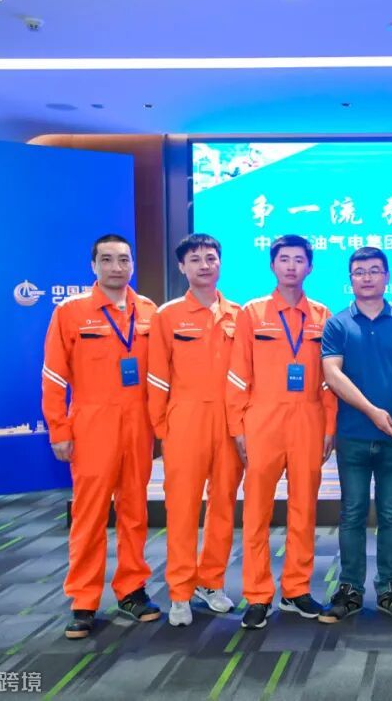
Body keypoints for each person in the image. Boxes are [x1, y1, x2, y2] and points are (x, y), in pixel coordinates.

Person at [42, 234, 160, 639]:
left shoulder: (149, 311)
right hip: (92, 424)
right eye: (107, 260)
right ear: (93, 265)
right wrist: (59, 428)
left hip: (138, 425)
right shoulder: (71, 312)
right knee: (89, 515)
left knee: (134, 511)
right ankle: (84, 599)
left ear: (133, 265)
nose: (116, 267)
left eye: (123, 259)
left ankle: (132, 589)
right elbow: (53, 376)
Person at [226, 235, 336, 630]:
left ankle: (296, 588)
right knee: (256, 511)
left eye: (299, 260)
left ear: (310, 267)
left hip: (309, 420)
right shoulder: (252, 313)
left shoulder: (323, 316)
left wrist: (330, 426)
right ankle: (257, 594)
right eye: (284, 259)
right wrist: (237, 425)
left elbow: (330, 378)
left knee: (304, 509)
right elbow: (237, 373)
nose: (291, 266)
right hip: (263, 420)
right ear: (273, 265)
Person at [319, 247, 392, 623]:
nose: (367, 277)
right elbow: (332, 374)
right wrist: (372, 411)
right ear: (350, 278)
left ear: (387, 277)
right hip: (354, 435)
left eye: (374, 270)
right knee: (352, 513)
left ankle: (388, 589)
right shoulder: (337, 324)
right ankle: (350, 589)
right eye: (359, 271)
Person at [147, 234, 242, 627]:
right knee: (182, 508)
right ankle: (180, 591)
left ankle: (211, 581)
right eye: (196, 259)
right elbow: (156, 375)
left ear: (220, 263)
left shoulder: (239, 314)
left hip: (229, 422)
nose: (205, 265)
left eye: (211, 257)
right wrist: (161, 426)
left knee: (223, 505)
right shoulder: (168, 315)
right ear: (182, 267)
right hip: (185, 420)